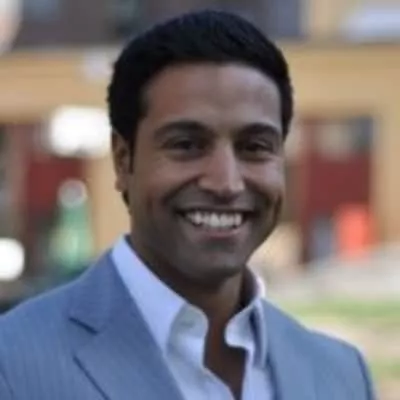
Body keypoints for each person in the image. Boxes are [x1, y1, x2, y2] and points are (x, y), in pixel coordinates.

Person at [0, 10, 375, 400]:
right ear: (124, 161)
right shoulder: (12, 365)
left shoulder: (341, 375)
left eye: (255, 147)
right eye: (186, 145)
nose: (226, 183)